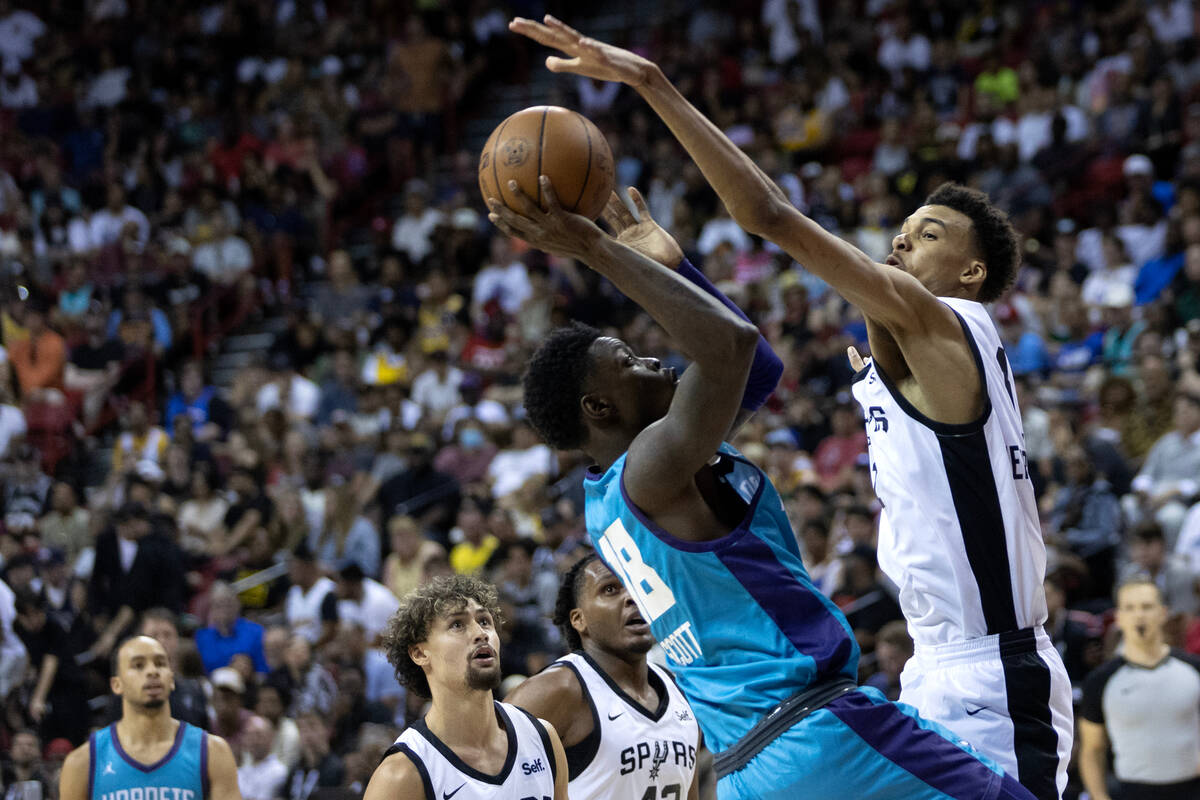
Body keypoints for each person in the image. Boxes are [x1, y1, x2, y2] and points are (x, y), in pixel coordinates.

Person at [507, 15, 1070, 799]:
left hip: (956, 674)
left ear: (972, 274)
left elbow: (759, 285)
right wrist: (662, 264)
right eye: (902, 230)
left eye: (927, 233)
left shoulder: (951, 326)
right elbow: (742, 360)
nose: (901, 244)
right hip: (867, 697)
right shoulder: (661, 460)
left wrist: (653, 87)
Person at [507, 554, 700, 799]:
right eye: (610, 589)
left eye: (637, 585)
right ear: (579, 619)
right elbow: (488, 780)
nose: (632, 597)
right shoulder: (558, 689)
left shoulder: (680, 691)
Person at [364, 575, 568, 800]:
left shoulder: (542, 737)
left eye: (484, 621)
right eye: (457, 625)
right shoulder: (402, 774)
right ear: (420, 653)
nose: (481, 633)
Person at [57, 635, 241, 800]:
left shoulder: (212, 752)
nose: (152, 672)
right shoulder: (84, 762)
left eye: (160, 664)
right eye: (138, 665)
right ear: (116, 685)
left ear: (171, 679)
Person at [1079, 580, 1200, 800]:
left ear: (1163, 613)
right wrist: (1099, 796)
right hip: (1132, 792)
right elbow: (1092, 749)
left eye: (1146, 606)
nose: (1139, 615)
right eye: (1130, 608)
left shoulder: (1193, 669)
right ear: (1119, 617)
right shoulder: (1101, 680)